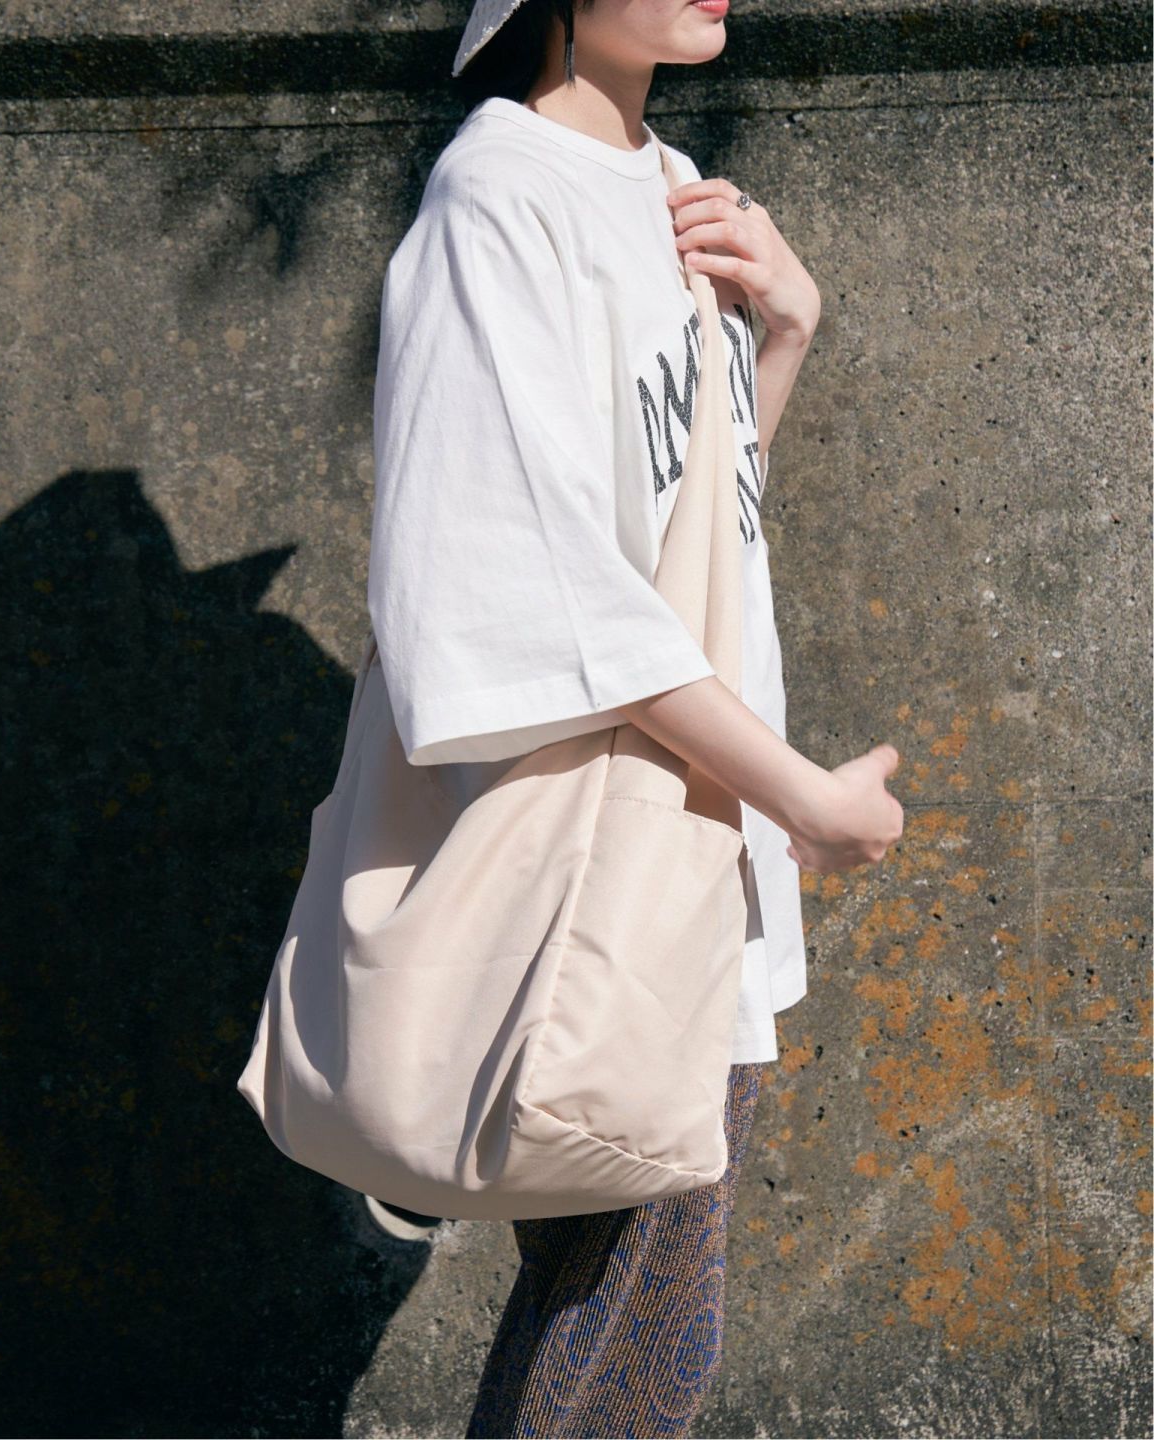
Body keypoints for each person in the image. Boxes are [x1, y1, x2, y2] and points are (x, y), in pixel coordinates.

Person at [366, 0, 905, 1433]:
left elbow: (680, 529)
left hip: (686, 847)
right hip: (612, 872)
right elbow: (526, 588)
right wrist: (801, 796)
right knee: (630, 1349)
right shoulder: (499, 198)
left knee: (627, 1331)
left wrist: (784, 336)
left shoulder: (668, 185)